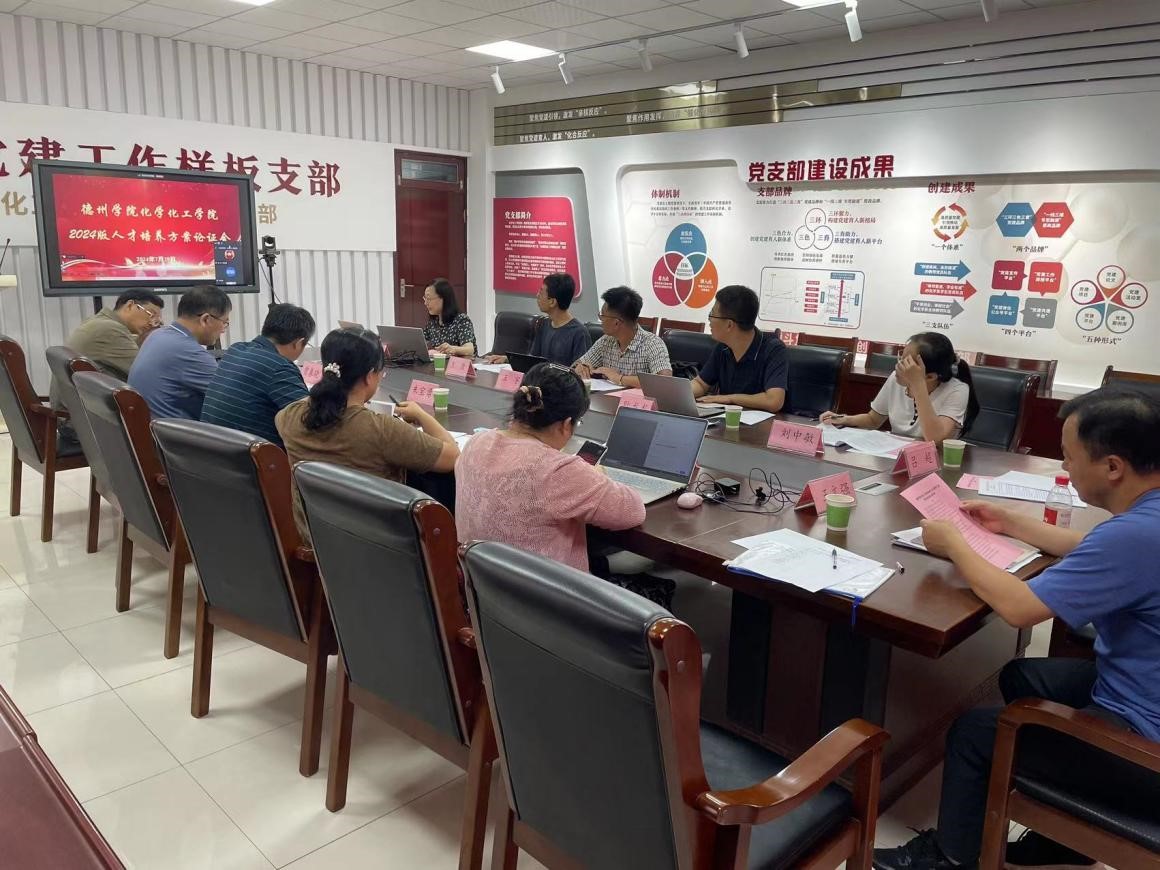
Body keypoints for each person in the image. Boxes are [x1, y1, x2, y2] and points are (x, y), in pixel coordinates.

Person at [874, 389, 1160, 870]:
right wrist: (1010, 522)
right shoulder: (1146, 519)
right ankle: (1065, 838)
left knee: (972, 734)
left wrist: (955, 545)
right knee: (1021, 676)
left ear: (1113, 466)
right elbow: (1091, 546)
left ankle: (950, 858)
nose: (1065, 468)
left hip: (1146, 749)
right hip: (1140, 686)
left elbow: (1018, 607)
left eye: (1069, 457)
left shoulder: (1134, 535)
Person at [455, 362, 645, 573]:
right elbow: (633, 511)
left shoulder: (476, 443)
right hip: (546, 592)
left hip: (480, 585)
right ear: (566, 424)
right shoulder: (557, 470)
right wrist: (597, 475)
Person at [276, 327, 459, 542]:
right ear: (370, 376)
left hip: (314, 539)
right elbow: (453, 457)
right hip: (377, 546)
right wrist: (422, 415)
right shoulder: (382, 429)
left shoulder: (289, 417)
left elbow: (311, 409)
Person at [821, 331, 978, 443]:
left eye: (906, 364)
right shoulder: (895, 379)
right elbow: (873, 419)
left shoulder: (957, 390)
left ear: (930, 376)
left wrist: (918, 385)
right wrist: (841, 419)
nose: (897, 367)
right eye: (900, 358)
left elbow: (934, 438)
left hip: (938, 462)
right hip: (897, 456)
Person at [51, 289, 164, 444]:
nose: (153, 322)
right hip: (85, 423)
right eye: (151, 314)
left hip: (75, 416)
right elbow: (148, 374)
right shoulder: (109, 330)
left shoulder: (99, 322)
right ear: (130, 305)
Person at [200, 303, 316, 448]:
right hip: (255, 457)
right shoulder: (279, 367)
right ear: (298, 343)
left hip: (213, 451)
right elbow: (310, 422)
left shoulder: (235, 350)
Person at [128, 285, 230, 420]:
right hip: (174, 431)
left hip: (150, 426)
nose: (223, 330)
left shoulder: (158, 335)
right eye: (225, 322)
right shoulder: (189, 352)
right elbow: (234, 397)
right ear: (205, 319)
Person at [691, 285, 787, 413]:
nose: (709, 320)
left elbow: (774, 401)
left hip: (761, 423)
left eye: (712, 314)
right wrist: (679, 393)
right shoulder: (723, 346)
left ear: (729, 325)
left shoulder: (773, 349)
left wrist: (730, 398)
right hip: (727, 419)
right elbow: (701, 384)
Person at [573, 286, 671, 388]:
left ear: (616, 323)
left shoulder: (652, 343)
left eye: (602, 316)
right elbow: (577, 364)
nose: (601, 320)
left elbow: (664, 382)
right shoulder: (606, 341)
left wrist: (619, 378)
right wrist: (581, 367)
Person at [484, 273, 591, 366]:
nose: (537, 295)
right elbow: (533, 360)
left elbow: (579, 372)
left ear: (552, 302)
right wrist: (507, 359)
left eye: (541, 292)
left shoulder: (579, 333)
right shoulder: (544, 325)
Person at [421, 278, 476, 358]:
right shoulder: (433, 322)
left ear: (444, 298)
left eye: (429, 299)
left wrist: (453, 349)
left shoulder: (461, 320)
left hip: (462, 363)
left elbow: (469, 349)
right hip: (441, 363)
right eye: (425, 298)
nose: (425, 303)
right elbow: (420, 342)